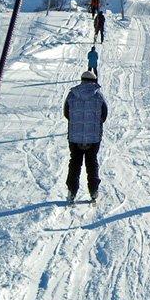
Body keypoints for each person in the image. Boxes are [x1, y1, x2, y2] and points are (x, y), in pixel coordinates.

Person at [63, 70, 108, 203]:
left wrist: (76, 123)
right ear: (93, 81)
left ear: (82, 80)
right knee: (92, 162)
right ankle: (93, 190)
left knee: (75, 163)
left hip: (74, 137)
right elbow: (104, 115)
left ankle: (72, 191)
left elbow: (66, 113)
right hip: (93, 138)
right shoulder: (98, 96)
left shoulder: (72, 94)